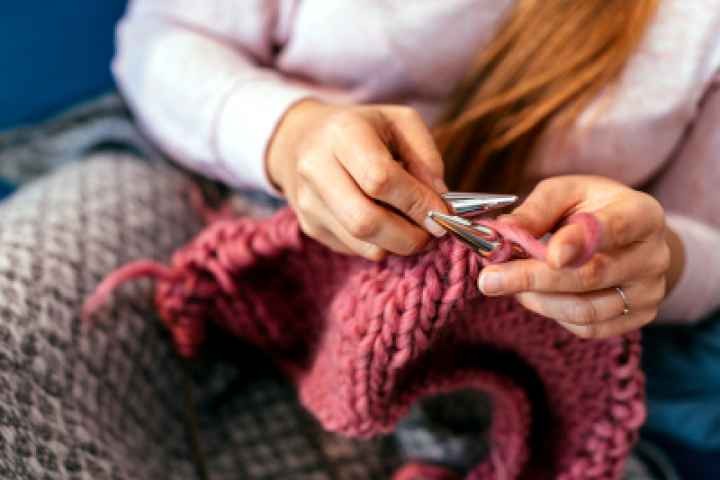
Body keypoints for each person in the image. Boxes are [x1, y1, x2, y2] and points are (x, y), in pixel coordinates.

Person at [111, 0, 720, 477]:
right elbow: (160, 42)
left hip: (533, 346)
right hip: (213, 204)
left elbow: (706, 243)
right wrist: (287, 135)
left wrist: (654, 262)